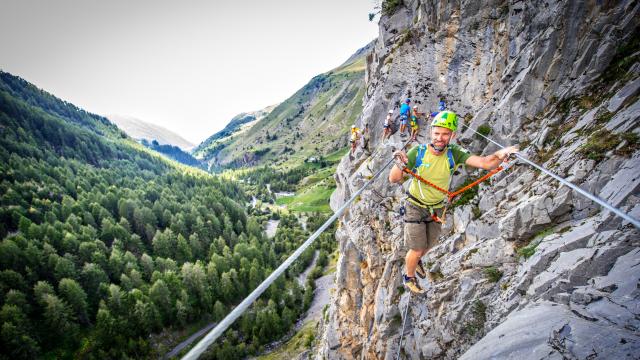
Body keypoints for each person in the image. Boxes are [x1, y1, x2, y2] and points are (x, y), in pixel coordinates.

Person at [388, 110, 518, 294]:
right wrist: (400, 164)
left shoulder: (454, 154)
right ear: (431, 133)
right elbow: (393, 179)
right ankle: (409, 277)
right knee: (417, 249)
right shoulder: (418, 152)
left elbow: (484, 163)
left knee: (428, 246)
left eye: (445, 134)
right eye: (437, 133)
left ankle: (416, 261)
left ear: (452, 135)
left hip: (437, 208)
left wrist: (501, 154)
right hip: (415, 206)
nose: (440, 138)